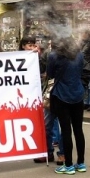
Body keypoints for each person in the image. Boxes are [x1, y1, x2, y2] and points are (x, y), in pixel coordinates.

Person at [46, 37, 86, 175]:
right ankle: (80, 163)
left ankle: (68, 165)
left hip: (61, 95)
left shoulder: (54, 56)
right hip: (78, 94)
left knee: (66, 130)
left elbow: (50, 75)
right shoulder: (79, 54)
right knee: (78, 130)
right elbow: (82, 71)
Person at [21, 37, 63, 165]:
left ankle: (62, 154)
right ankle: (47, 152)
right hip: (47, 94)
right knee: (46, 124)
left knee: (62, 125)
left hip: (60, 94)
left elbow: (84, 72)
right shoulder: (48, 56)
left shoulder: (70, 57)